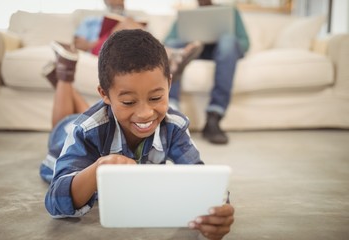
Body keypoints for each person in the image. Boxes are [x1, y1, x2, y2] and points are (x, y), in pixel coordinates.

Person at [40, 29, 234, 240]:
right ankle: (63, 77)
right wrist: (98, 169)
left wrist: (217, 210)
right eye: (129, 102)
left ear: (169, 84)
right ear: (104, 93)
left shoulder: (173, 126)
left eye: (156, 97)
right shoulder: (85, 130)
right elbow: (55, 201)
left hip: (105, 118)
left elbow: (200, 178)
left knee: (102, 117)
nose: (145, 113)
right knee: (64, 124)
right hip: (66, 136)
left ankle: (67, 84)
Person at [165, 0, 250, 144]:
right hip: (196, 51)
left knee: (228, 41)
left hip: (223, 51)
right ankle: (171, 111)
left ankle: (214, 116)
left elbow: (245, 42)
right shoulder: (187, 14)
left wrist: (220, 38)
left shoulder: (230, 11)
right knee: (174, 45)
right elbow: (168, 41)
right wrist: (192, 41)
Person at [66, 0, 203, 80]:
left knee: (131, 24)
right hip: (102, 49)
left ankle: (169, 56)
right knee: (127, 23)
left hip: (125, 50)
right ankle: (171, 55)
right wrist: (110, 33)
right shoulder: (91, 20)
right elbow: (78, 44)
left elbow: (150, 40)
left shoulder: (133, 19)